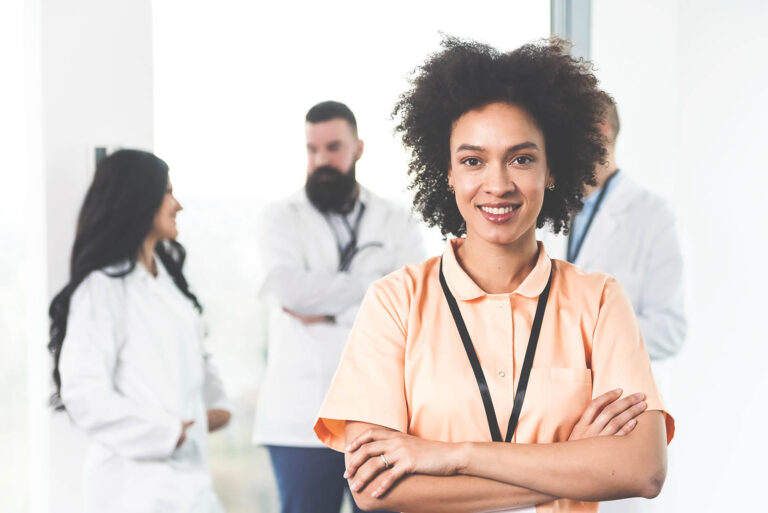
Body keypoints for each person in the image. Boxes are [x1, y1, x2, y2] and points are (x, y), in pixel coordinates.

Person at [314, 38, 674, 513]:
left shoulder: (600, 301)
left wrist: (452, 456)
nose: (498, 184)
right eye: (472, 160)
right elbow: (375, 488)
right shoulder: (395, 302)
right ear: (446, 172)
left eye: (522, 158)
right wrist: (574, 466)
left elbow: (643, 470)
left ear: (551, 169)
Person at [252, 101, 426, 513]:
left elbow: (413, 300)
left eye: (332, 147)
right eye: (312, 150)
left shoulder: (395, 218)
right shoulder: (280, 218)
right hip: (299, 417)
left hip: (379, 414)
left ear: (358, 149)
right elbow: (289, 291)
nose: (321, 160)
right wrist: (374, 290)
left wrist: (330, 310)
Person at [49, 149, 230, 513]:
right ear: (137, 198)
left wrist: (216, 404)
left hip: (188, 480)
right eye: (167, 192)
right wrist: (169, 432)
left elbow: (193, 351)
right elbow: (84, 392)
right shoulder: (101, 288)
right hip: (133, 487)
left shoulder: (166, 283)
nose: (177, 205)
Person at [539, 92, 686, 513]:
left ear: (600, 131)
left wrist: (587, 338)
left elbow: (670, 328)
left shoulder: (653, 215)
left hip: (623, 412)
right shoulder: (552, 212)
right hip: (556, 414)